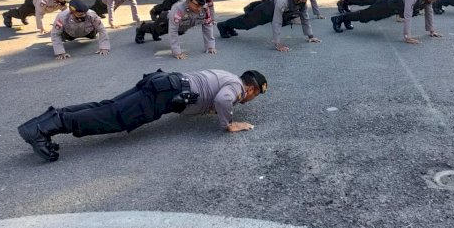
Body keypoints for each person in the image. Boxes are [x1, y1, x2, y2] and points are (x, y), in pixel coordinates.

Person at [17, 69, 268, 162]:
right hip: (163, 94)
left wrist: (206, 107)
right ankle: (42, 129)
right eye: (254, 96)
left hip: (163, 83)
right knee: (113, 117)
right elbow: (224, 99)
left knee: (107, 107)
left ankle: (46, 122)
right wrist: (229, 124)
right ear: (252, 88)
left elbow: (206, 93)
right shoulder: (235, 87)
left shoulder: (226, 75)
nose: (249, 99)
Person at [217, 0, 321, 52]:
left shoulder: (302, 3)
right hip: (264, 12)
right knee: (245, 23)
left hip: (271, 12)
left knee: (245, 23)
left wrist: (310, 36)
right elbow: (277, 22)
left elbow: (305, 18)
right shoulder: (283, 1)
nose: (303, 1)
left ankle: (229, 26)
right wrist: (278, 43)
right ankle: (223, 25)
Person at [330, 0, 443, 44]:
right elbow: (407, 16)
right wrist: (407, 36)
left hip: (391, 9)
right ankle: (340, 18)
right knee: (364, 16)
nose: (432, 1)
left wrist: (431, 30)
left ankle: (346, 19)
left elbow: (429, 12)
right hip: (384, 5)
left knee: (365, 17)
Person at [136, 0, 216, 59]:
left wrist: (210, 47)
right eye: (197, 5)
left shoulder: (204, 9)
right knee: (154, 30)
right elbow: (173, 30)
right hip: (166, 21)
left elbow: (208, 25)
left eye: (201, 6)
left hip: (181, 27)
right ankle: (141, 28)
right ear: (188, 1)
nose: (199, 9)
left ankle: (155, 34)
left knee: (179, 32)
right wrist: (177, 52)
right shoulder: (178, 9)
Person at [2, 0, 70, 33]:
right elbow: (39, 13)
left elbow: (65, 13)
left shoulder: (62, 0)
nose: (63, 2)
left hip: (40, 4)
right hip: (31, 3)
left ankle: (25, 17)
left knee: (27, 16)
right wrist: (42, 28)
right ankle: (7, 14)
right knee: (20, 14)